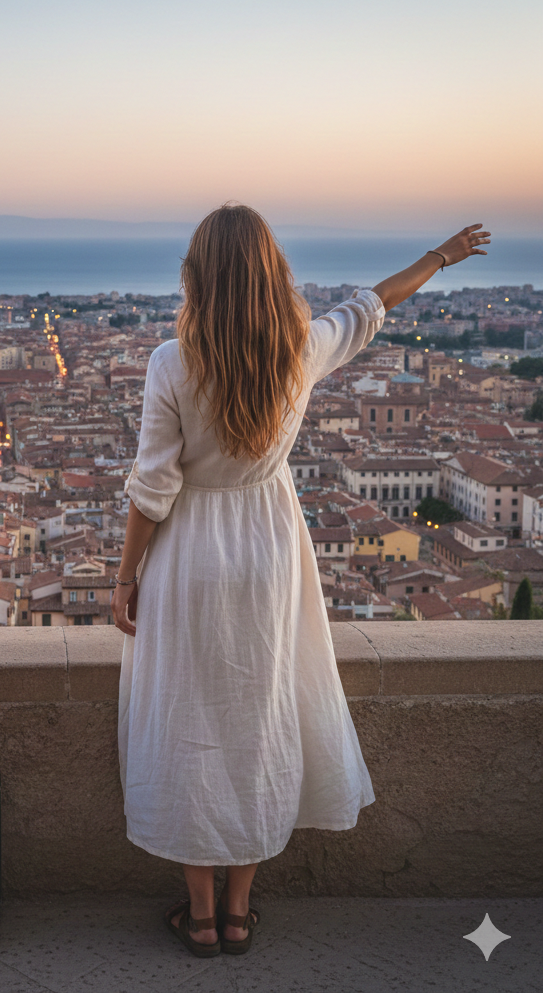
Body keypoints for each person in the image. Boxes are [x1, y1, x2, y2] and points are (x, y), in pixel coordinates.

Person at [111, 206, 490, 957]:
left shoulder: (171, 362)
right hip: (270, 550)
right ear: (270, 273)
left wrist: (126, 577)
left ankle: (200, 916)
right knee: (260, 715)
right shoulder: (302, 350)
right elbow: (375, 305)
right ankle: (242, 910)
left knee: (190, 722)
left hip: (190, 551)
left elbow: (152, 490)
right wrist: (441, 256)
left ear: (196, 277)